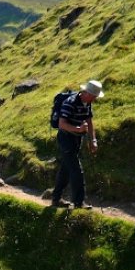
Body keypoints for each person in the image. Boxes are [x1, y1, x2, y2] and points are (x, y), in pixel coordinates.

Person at [50, 79, 102, 209]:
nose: (95, 99)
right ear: (88, 93)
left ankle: (56, 199)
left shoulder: (87, 103)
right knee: (76, 170)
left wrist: (93, 140)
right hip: (66, 139)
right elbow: (62, 124)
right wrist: (78, 129)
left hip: (76, 140)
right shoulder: (70, 103)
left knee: (66, 169)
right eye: (94, 96)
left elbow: (89, 122)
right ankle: (79, 203)